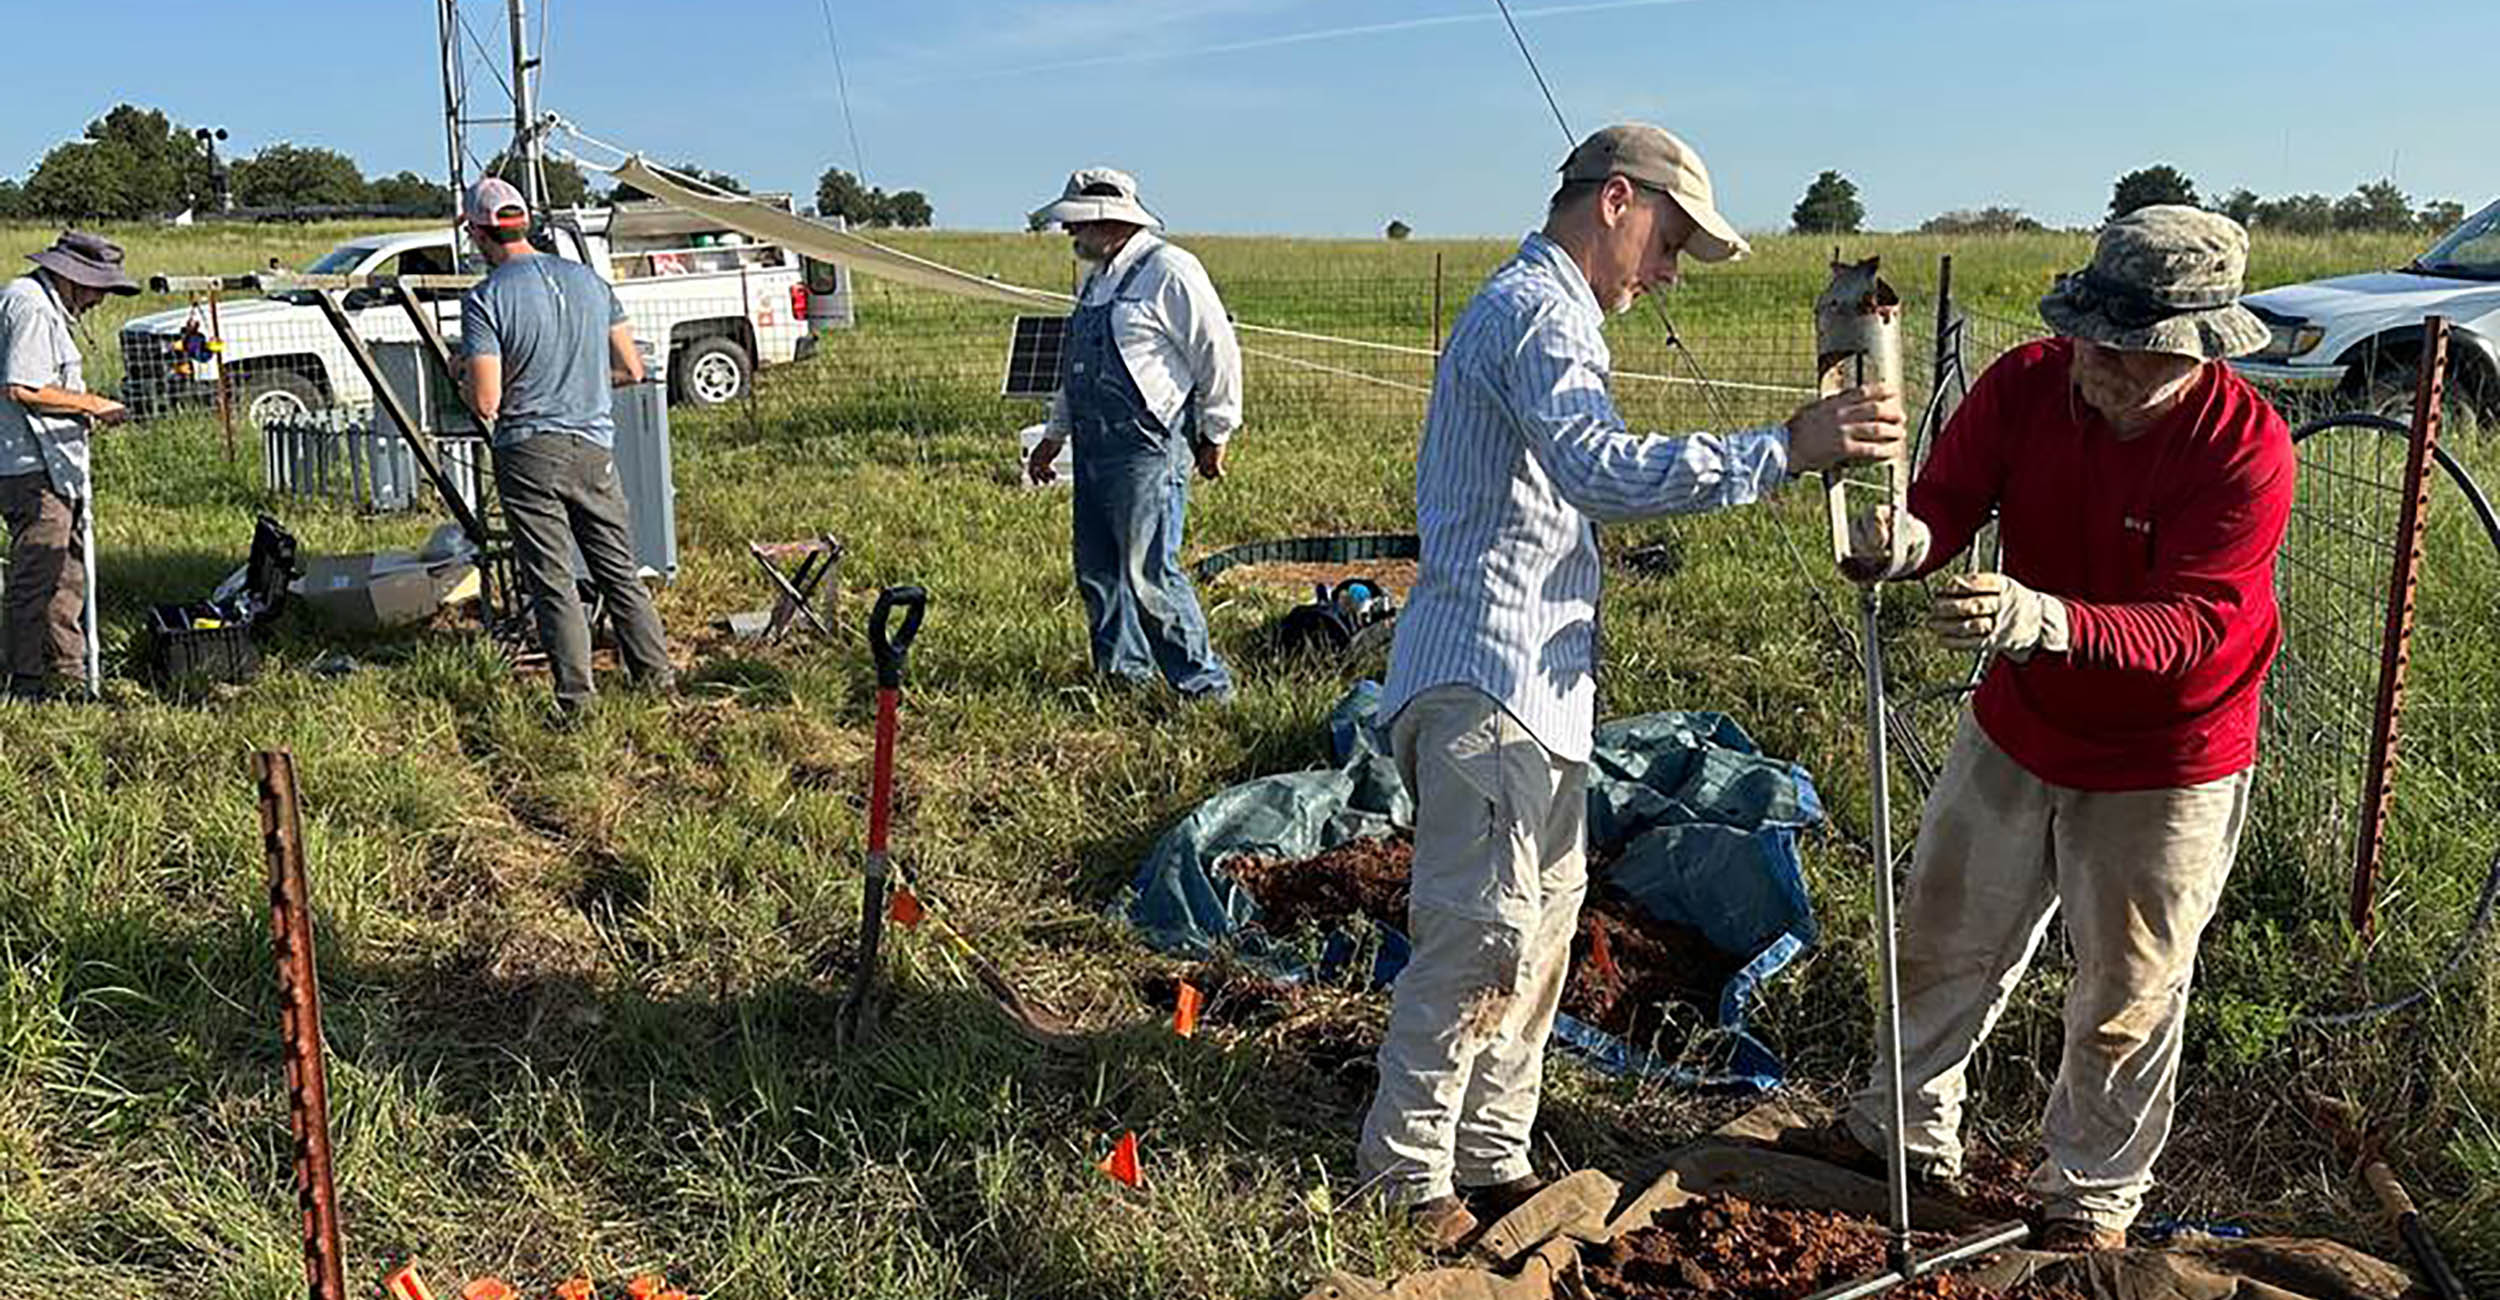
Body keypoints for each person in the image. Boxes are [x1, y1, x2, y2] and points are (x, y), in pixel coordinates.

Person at [1358, 123, 1908, 1249]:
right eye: (1668, 243)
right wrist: (1782, 450)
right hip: (1488, 677)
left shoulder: (1548, 313)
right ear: (1616, 200)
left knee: (1541, 930)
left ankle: (1492, 1155)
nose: (1666, 274)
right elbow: (1598, 470)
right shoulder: (1538, 313)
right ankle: (1406, 1177)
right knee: (1480, 935)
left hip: (1531, 688)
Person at [1823, 205, 2294, 1251]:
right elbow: (1949, 497)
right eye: (2093, 338)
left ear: (2201, 353)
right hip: (2021, 720)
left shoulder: (2244, 448)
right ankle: (1899, 1131)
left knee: (2129, 987)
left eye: (2135, 352)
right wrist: (1905, 540)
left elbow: (2198, 626)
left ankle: (2087, 1196)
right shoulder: (2028, 384)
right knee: (1943, 929)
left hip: (2168, 756)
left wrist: (2042, 619)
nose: (2103, 365)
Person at [1024, 167, 1242, 703]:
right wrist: (1054, 435)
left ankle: (1204, 688)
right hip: (1093, 445)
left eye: (1077, 222)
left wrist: (1216, 430)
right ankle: (1123, 677)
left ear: (1109, 221)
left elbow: (1217, 352)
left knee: (1149, 573)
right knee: (1098, 571)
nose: (1069, 232)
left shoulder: (1170, 270)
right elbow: (1075, 366)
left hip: (1146, 447)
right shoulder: (1097, 281)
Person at [459, 177, 673, 712]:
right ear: (525, 223)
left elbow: (486, 400)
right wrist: (584, 384)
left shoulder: (486, 298)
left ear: (477, 233)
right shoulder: (589, 282)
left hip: (529, 451)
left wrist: (459, 373)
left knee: (553, 579)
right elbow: (632, 368)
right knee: (619, 570)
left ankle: (578, 702)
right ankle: (658, 682)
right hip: (594, 447)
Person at [0, 231, 136, 699]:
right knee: (39, 574)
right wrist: (93, 404)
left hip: (51, 463)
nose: (101, 298)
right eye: (98, 287)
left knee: (67, 571)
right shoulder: (32, 307)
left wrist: (78, 411)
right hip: (30, 466)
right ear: (72, 277)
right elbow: (23, 387)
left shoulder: (39, 302)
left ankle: (70, 673)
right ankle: (25, 683)